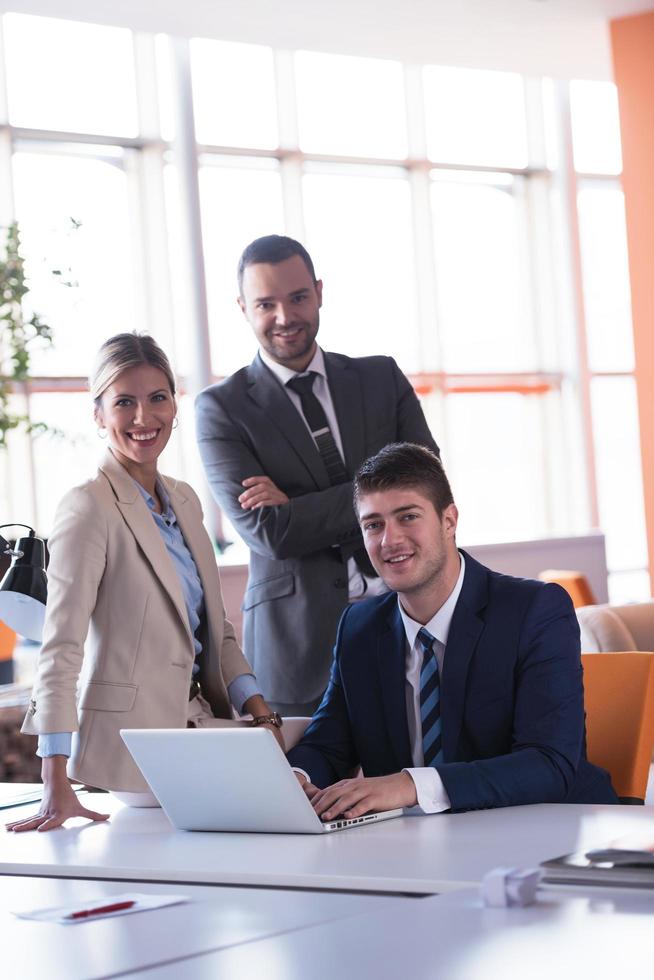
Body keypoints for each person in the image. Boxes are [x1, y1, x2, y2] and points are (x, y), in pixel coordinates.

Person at [8, 333, 283, 833]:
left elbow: (215, 629)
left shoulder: (184, 500)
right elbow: (61, 645)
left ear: (175, 405)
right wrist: (54, 779)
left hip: (199, 724)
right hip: (133, 747)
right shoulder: (88, 504)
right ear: (98, 415)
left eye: (157, 398)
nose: (143, 417)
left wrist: (260, 711)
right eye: (124, 403)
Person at [287, 442, 618, 818]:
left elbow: (548, 763)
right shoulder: (359, 627)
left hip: (547, 832)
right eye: (373, 524)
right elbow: (328, 744)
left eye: (408, 517)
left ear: (449, 520)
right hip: (415, 846)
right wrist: (296, 777)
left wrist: (411, 784)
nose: (389, 540)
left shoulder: (534, 611)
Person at [195, 235, 439, 715]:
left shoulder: (380, 378)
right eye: (266, 304)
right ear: (243, 308)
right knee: (310, 788)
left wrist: (299, 503)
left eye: (298, 297)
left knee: (420, 781)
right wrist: (384, 494)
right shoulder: (222, 408)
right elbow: (272, 532)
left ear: (320, 292)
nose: (285, 317)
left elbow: (426, 481)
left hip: (410, 620)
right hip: (298, 648)